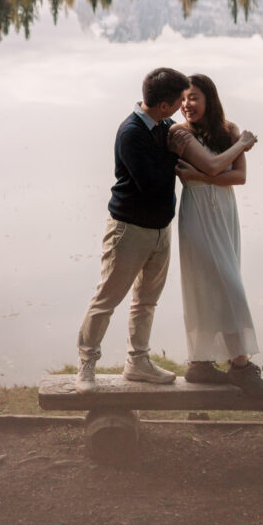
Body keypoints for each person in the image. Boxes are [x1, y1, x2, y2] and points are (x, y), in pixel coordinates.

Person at [75, 67, 191, 393]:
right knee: (106, 300)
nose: (183, 106)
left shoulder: (164, 125)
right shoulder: (131, 133)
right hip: (129, 231)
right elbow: (152, 184)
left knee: (146, 301)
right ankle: (86, 365)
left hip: (159, 230)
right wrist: (175, 153)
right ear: (165, 104)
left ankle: (137, 362)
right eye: (180, 100)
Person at [168, 74, 263, 394]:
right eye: (183, 99)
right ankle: (240, 366)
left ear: (209, 98)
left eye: (194, 97)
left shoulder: (228, 129)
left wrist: (201, 175)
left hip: (225, 213)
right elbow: (215, 166)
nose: (187, 105)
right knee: (224, 285)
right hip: (198, 214)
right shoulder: (178, 133)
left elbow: (238, 177)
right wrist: (241, 145)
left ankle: (200, 365)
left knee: (222, 281)